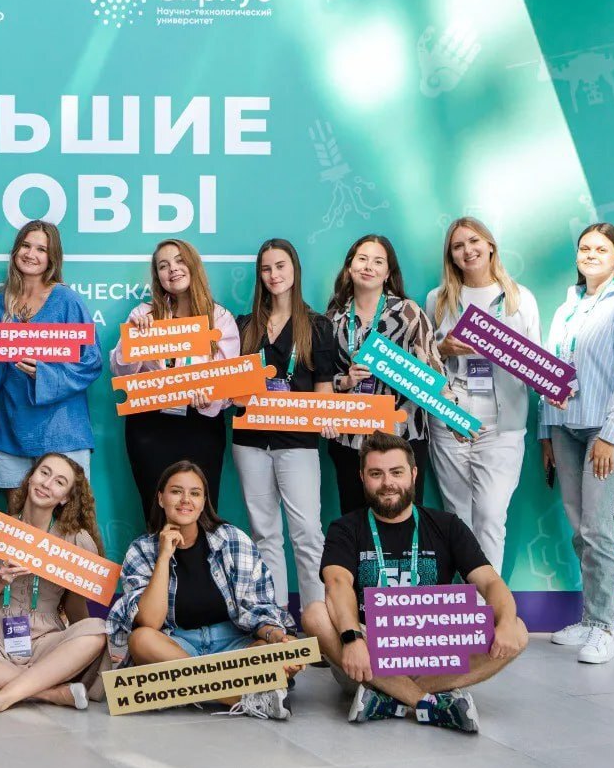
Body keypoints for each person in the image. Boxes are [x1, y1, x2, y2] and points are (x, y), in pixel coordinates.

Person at [302, 431, 527, 733]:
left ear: (414, 474)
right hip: (366, 652)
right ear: (362, 477)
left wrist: (507, 621)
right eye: (376, 474)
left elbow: (489, 582)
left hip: (431, 648)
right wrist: (353, 640)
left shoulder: (447, 525)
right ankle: (427, 702)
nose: (387, 483)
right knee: (315, 614)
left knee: (518, 629)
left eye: (396, 472)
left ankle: (386, 696)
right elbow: (337, 583)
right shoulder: (345, 528)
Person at [540, 223, 614, 665]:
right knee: (582, 530)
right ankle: (590, 619)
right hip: (566, 430)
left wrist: (610, 435)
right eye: (584, 248)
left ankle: (605, 628)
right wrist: (546, 433)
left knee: (600, 529)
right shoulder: (567, 307)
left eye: (601, 249)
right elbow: (547, 374)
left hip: (612, 431)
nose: (590, 254)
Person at [107, 461, 298, 720]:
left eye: (195, 493)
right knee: (141, 640)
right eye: (176, 491)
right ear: (161, 498)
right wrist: (163, 557)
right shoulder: (141, 549)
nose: (186, 500)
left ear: (203, 501)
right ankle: (241, 696)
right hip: (179, 646)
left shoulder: (232, 540)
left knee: (269, 651)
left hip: (232, 643)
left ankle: (186, 687)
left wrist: (276, 636)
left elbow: (258, 607)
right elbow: (150, 622)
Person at [0, 453, 110, 716]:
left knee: (96, 630)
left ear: (65, 498)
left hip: (46, 641)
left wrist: (85, 644)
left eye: (59, 482)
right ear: (30, 478)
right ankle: (52, 692)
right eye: (44, 472)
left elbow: (76, 611)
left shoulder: (77, 541)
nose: (47, 483)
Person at [426, 218, 540, 575]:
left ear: (490, 245)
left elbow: (537, 363)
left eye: (474, 241)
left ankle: (489, 601)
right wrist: (443, 348)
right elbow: (424, 360)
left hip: (502, 424)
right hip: (451, 420)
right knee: (458, 516)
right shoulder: (437, 299)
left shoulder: (520, 298)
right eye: (458, 246)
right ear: (451, 256)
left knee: (490, 515)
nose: (468, 250)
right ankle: (466, 601)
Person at [231, 238, 335, 615]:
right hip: (249, 441)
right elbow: (232, 388)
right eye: (266, 268)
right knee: (264, 533)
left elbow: (324, 389)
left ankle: (317, 618)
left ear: (294, 270)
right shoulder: (244, 325)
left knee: (307, 533)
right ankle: (274, 620)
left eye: (280, 266)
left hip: (298, 441)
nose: (273, 275)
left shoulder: (317, 326)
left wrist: (327, 418)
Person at [110, 239, 238, 517]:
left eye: (179, 261)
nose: (173, 269)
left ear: (193, 265)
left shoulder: (220, 318)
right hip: (149, 426)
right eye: (163, 266)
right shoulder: (143, 314)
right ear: (157, 276)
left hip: (200, 424)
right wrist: (136, 338)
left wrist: (211, 399)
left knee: (200, 513)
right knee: (155, 510)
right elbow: (120, 371)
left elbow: (228, 381)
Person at [0, 220, 102, 507]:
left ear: (52, 258)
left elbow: (91, 361)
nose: (31, 254)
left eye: (41, 249)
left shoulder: (67, 300)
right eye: (26, 246)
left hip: (62, 430)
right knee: (17, 523)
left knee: (69, 523)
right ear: (15, 251)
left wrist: (45, 373)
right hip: (10, 428)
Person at [326, 234, 444, 514]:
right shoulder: (333, 318)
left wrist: (457, 419)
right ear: (350, 266)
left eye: (378, 261)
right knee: (355, 518)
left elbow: (433, 372)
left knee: (404, 518)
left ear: (388, 272)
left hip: (402, 433)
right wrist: (345, 380)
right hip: (351, 438)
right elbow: (323, 379)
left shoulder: (408, 313)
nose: (369, 266)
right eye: (362, 259)